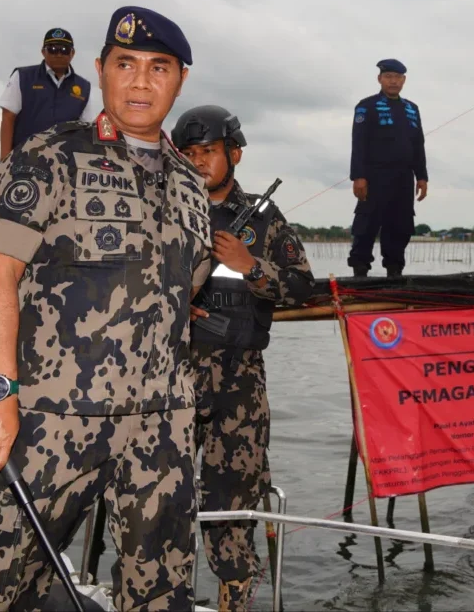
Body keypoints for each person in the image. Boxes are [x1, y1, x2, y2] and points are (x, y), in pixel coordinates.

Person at [0, 6, 210, 611]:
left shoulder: (190, 182)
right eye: (125, 64)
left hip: (164, 425)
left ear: (180, 80)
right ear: (99, 70)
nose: (141, 82)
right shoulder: (48, 155)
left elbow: (187, 287)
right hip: (55, 419)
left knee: (161, 594)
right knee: (1, 589)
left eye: (160, 68)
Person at [172, 105, 315, 610]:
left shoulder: (263, 217)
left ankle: (236, 597)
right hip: (167, 381)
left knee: (232, 504)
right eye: (187, 154)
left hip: (238, 381)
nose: (197, 162)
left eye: (207, 152)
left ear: (233, 152)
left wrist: (250, 266)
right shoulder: (162, 212)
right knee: (160, 501)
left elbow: (301, 287)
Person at [347, 58, 428, 278]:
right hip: (374, 176)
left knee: (400, 226)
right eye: (388, 77)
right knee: (366, 224)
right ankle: (360, 270)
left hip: (403, 177)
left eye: (397, 78)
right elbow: (358, 142)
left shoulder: (412, 109)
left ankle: (395, 271)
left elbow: (418, 144)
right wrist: (358, 176)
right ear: (380, 79)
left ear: (404, 80)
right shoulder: (367, 106)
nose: (393, 82)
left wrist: (422, 177)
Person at [0, 27, 101, 159]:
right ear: (43, 52)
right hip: (23, 160)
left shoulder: (84, 87)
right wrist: (4, 161)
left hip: (63, 165)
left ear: (72, 53)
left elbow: (85, 129)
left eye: (64, 50)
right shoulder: (23, 77)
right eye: (52, 49)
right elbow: (8, 118)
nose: (58, 54)